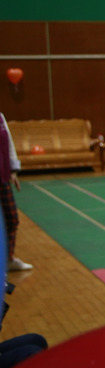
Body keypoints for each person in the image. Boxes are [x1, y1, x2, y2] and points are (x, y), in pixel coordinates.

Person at [0, 113, 30, 273]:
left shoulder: (1, 117)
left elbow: (8, 144)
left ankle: (8, 259)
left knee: (11, 219)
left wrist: (13, 170)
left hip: (2, 178)